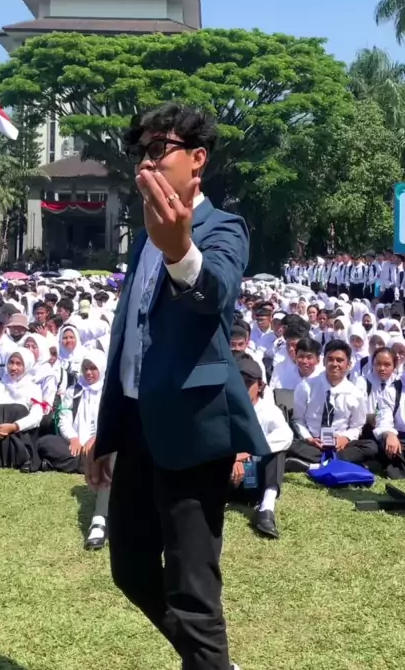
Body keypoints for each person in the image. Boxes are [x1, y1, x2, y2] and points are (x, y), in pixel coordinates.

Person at [87, 103, 268, 670]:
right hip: (138, 427)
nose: (146, 161)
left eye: (158, 148)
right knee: (129, 568)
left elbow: (215, 294)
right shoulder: (143, 238)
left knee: (192, 591)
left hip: (193, 431)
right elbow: (129, 342)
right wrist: (109, 435)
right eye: (140, 151)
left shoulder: (223, 228)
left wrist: (179, 250)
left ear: (197, 159)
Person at [38, 349, 110, 550]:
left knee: (108, 454)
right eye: (85, 368)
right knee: (47, 442)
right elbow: (64, 419)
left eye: (93, 368)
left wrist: (95, 439)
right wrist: (74, 438)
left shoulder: (108, 392)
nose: (88, 373)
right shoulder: (74, 390)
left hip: (101, 444)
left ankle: (86, 464)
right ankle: (85, 464)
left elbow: (109, 421)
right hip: (75, 446)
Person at [229, 355, 293, 540]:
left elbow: (286, 436)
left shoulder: (269, 410)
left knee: (279, 452)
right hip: (228, 477)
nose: (243, 388)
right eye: (239, 383)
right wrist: (232, 457)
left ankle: (266, 508)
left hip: (255, 476)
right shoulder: (224, 407)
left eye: (248, 383)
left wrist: (248, 451)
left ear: (260, 386)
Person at [287, 340, 376, 471]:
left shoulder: (356, 393)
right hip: (312, 443)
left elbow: (357, 426)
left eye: (340, 360)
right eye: (330, 359)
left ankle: (316, 463)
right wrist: (309, 438)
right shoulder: (306, 386)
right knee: (288, 442)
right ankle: (337, 462)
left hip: (339, 445)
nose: (334, 364)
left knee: (370, 446)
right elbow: (298, 420)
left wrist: (345, 438)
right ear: (323, 362)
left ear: (349, 364)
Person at [0, 348, 43, 471]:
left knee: (17, 410)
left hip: (20, 437)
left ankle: (23, 457)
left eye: (19, 364)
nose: (13, 368)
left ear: (27, 366)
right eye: (11, 362)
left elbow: (36, 416)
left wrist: (14, 426)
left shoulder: (33, 388)